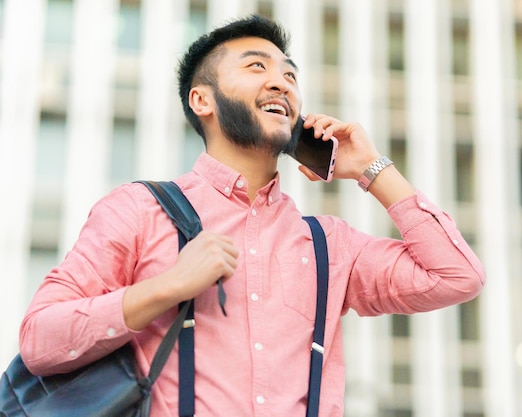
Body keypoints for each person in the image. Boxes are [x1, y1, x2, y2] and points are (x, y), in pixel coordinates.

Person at [19, 15, 485, 417]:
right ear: (203, 101)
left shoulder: (329, 245)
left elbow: (456, 276)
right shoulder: (140, 210)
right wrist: (168, 287)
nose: (281, 82)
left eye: (290, 74)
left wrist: (372, 169)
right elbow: (40, 340)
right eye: (256, 67)